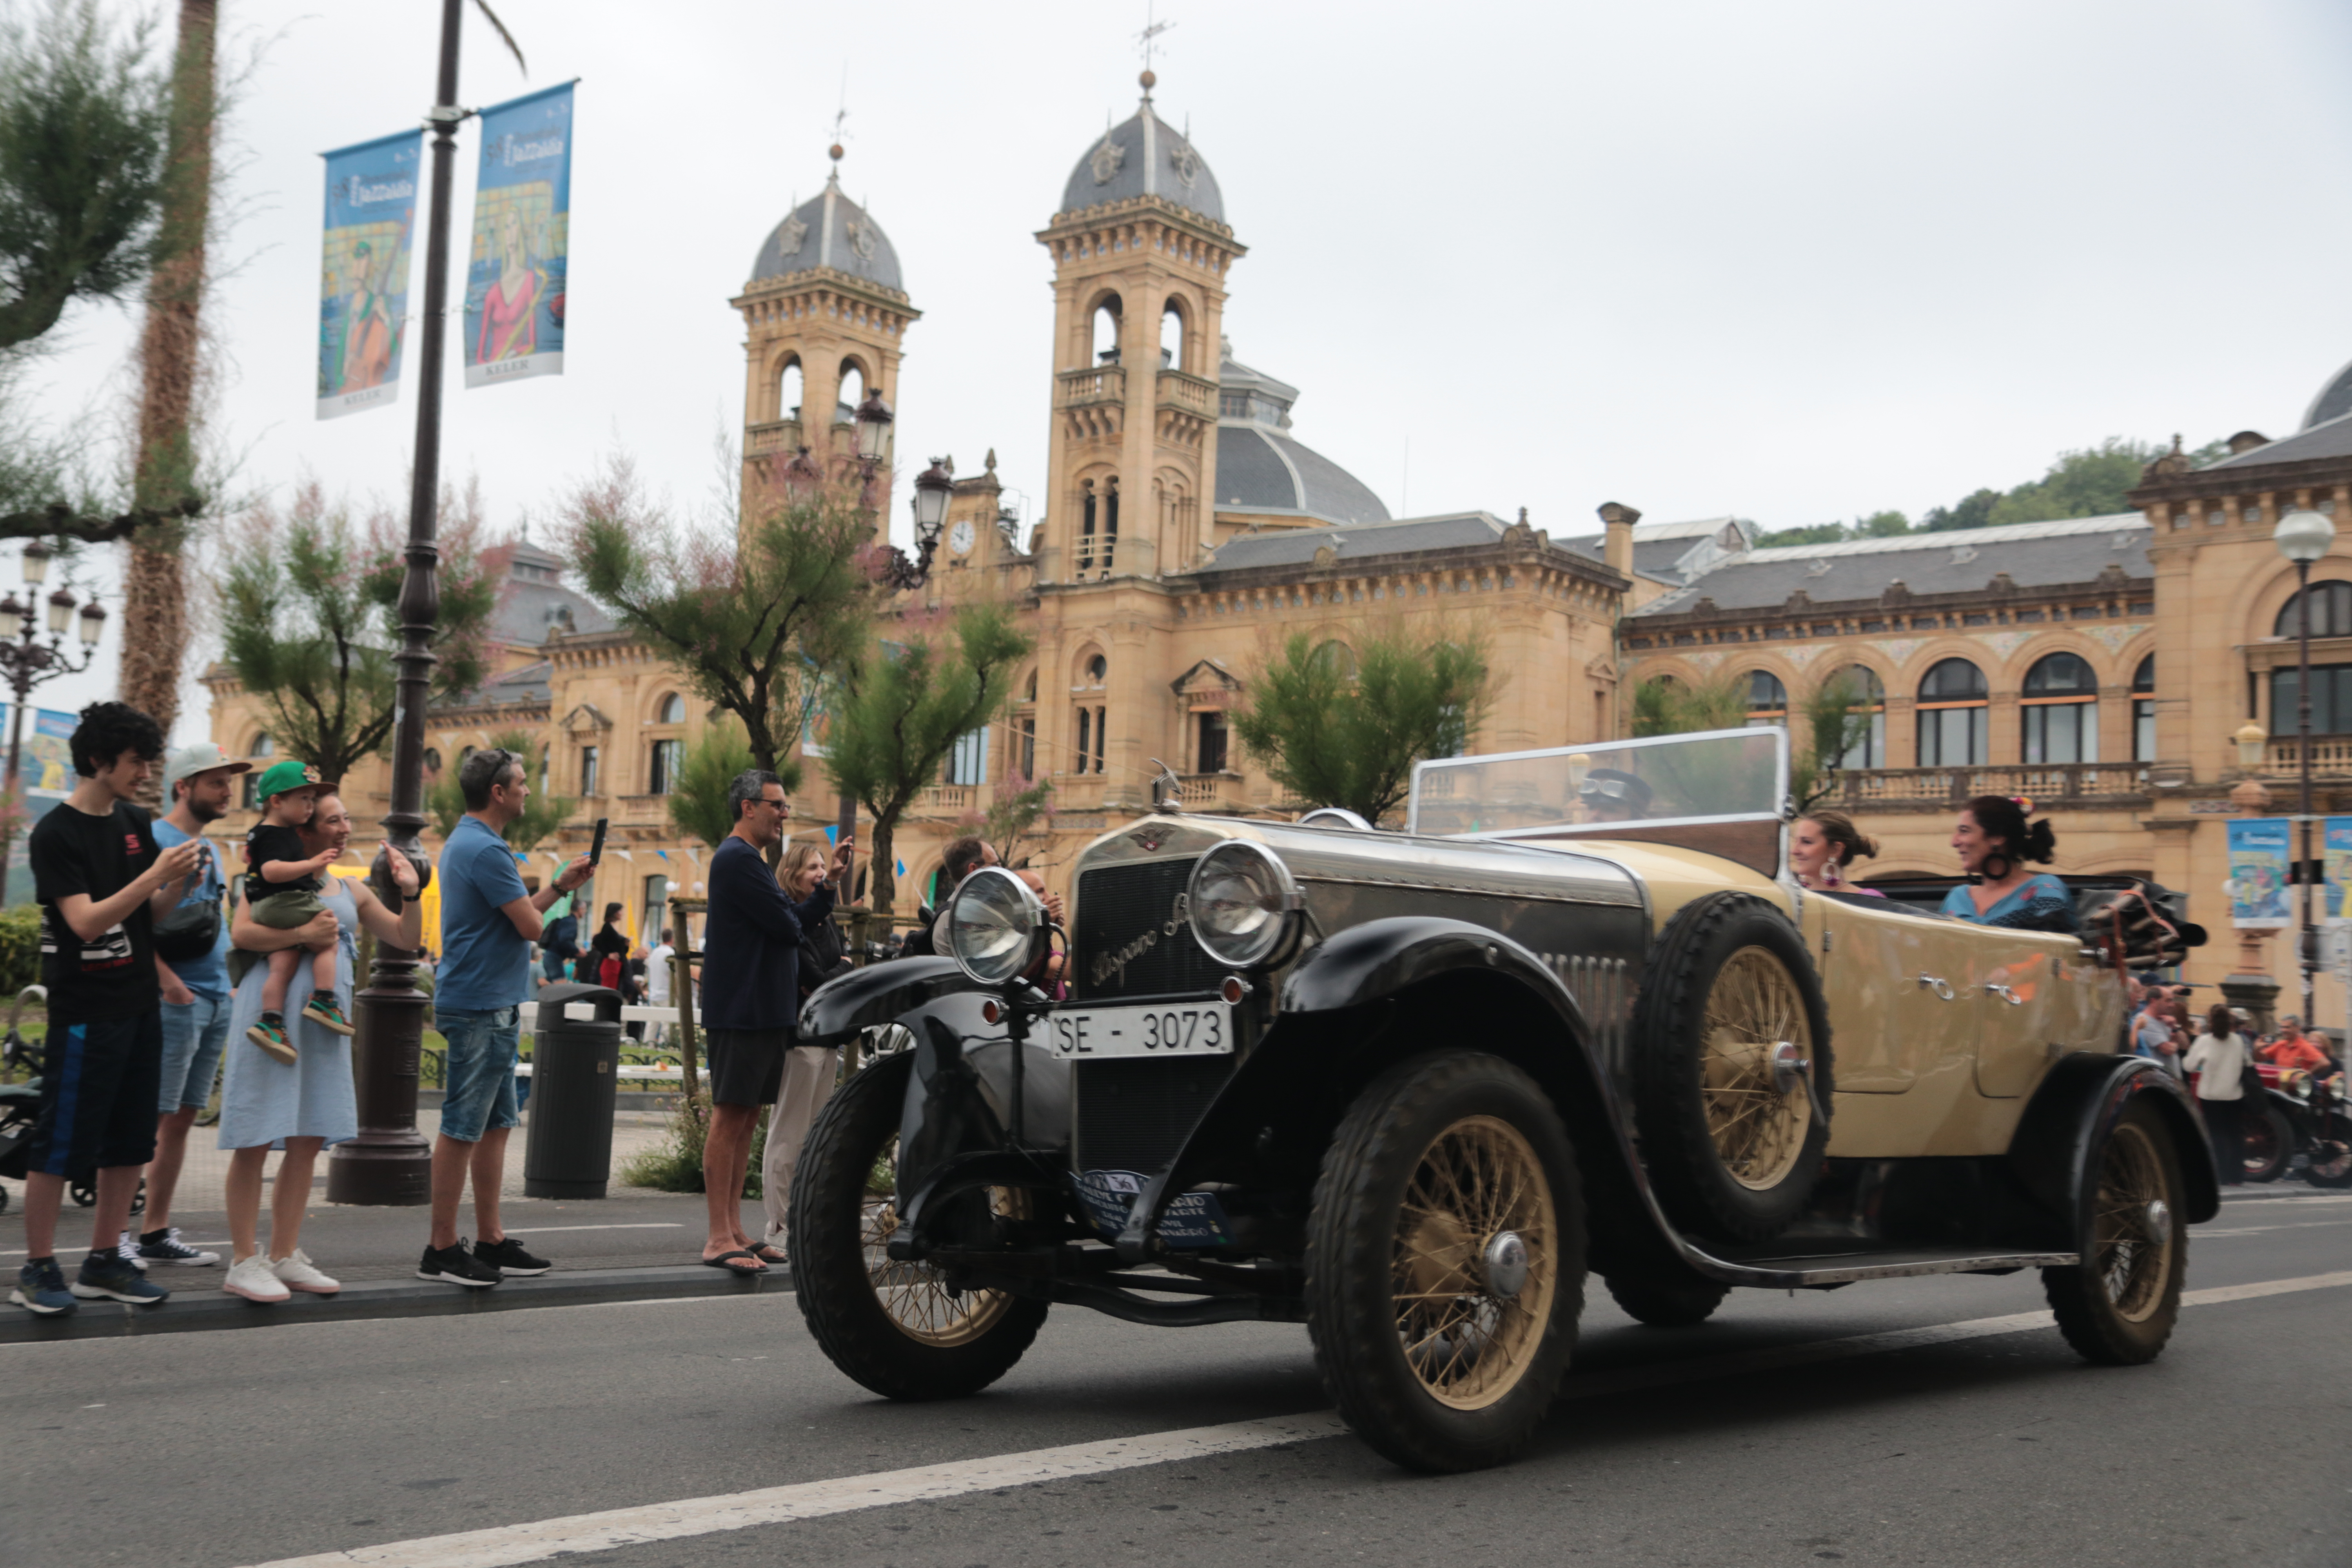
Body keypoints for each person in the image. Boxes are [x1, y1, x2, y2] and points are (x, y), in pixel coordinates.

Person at [9, 702, 202, 1317]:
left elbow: (148, 918)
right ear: (98, 760)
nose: (145, 772)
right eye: (135, 761)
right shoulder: (55, 833)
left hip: (139, 1003)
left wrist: (177, 887)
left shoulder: (133, 821)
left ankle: (104, 1261)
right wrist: (154, 878)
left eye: (150, 760)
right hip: (86, 1011)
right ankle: (38, 1268)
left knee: (129, 1143)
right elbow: (87, 922)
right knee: (63, 1145)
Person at [217, 793, 424, 1303]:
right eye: (334, 819)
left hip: (323, 1024)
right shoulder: (266, 879)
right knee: (256, 1136)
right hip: (274, 1020)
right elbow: (241, 933)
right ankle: (245, 1258)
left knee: (308, 1138)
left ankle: (286, 1254)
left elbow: (406, 938)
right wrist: (306, 930)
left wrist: (412, 893)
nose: (345, 827)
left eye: (346, 818)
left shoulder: (351, 889)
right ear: (305, 829)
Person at [421, 747, 593, 1289]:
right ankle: (442, 1248)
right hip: (478, 1005)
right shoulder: (487, 850)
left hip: (486, 1001)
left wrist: (561, 886)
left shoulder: (471, 842)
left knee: (495, 1126)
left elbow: (517, 915)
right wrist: (559, 895)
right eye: (521, 783)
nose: (526, 790)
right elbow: (530, 927)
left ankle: (491, 1240)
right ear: (498, 792)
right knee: (462, 1127)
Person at [700, 775, 852, 1272]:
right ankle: (718, 1236)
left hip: (764, 1010)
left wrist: (829, 884)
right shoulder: (738, 858)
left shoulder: (755, 861)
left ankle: (737, 1230)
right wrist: (800, 912)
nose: (785, 813)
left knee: (746, 1120)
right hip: (742, 1010)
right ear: (748, 807)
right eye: (778, 805)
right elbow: (789, 925)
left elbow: (796, 916)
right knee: (729, 1118)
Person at [130, 743, 252, 1270]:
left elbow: (212, 919)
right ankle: (115, 1236)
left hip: (213, 996)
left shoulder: (213, 847)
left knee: (181, 1118)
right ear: (184, 786)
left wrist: (226, 987)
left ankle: (154, 1232)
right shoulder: (154, 839)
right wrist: (169, 984)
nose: (229, 792)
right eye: (217, 783)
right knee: (150, 1114)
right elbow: (132, 924)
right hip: (175, 998)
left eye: (229, 782)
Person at [755, 841, 860, 1253]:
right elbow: (816, 977)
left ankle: (802, 1220)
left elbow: (832, 971)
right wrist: (841, 971)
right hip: (800, 1042)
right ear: (793, 872)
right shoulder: (787, 918)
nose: (821, 872)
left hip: (828, 1037)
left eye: (824, 866)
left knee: (814, 1136)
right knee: (788, 1133)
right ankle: (777, 1225)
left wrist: (837, 972)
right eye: (813, 866)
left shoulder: (826, 919)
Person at [240, 761, 353, 1059]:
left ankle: (271, 1022)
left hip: (267, 907)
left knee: (283, 964)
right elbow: (272, 871)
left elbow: (250, 856)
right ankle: (325, 1000)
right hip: (283, 900)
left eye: (312, 800)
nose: (309, 806)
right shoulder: (279, 834)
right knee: (329, 936)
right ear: (277, 801)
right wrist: (311, 864)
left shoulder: (260, 832)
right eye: (304, 799)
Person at [1940, 794, 2076, 932]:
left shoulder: (2044, 889)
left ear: (1997, 837)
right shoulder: (1957, 897)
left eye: (1964, 831)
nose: (1954, 842)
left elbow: (2052, 945)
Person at [2182, 1003, 2250, 1186]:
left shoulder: (2204, 1041)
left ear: (2210, 1021)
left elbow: (2188, 1066)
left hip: (2210, 1094)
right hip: (2234, 1094)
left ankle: (2220, 1175)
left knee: (2217, 1135)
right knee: (2235, 1135)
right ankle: (2236, 1177)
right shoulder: (2238, 1041)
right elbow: (2249, 1063)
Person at [1789, 810, 1884, 894]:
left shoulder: (1867, 901)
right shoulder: (1792, 898)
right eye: (1796, 841)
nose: (1794, 851)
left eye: (1807, 842)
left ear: (1836, 850)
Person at [2260, 1014, 2334, 1074]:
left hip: (2294, 1089)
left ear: (2298, 1028)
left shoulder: (2304, 1046)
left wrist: (2308, 1074)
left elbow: (2325, 1063)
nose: (2283, 1030)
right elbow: (2260, 1057)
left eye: (2287, 1028)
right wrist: (2257, 1048)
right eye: (2282, 1027)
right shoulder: (2280, 1044)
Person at [589, 902, 630, 991]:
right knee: (609, 989)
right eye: (620, 911)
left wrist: (625, 943)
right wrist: (608, 954)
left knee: (613, 988)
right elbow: (597, 942)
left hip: (616, 964)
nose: (622, 913)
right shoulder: (607, 927)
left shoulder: (613, 927)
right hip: (610, 964)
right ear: (615, 913)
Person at [644, 925, 674, 1044]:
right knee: (667, 1022)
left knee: (652, 1022)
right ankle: (664, 1045)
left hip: (654, 991)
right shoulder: (670, 953)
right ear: (672, 939)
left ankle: (648, 1044)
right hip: (666, 992)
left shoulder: (655, 952)